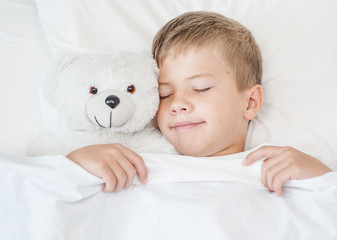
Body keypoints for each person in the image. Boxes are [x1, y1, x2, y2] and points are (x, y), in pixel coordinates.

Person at [66, 11, 332, 196]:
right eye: (165, 94)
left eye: (200, 88)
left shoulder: (278, 170)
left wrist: (323, 178)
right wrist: (72, 166)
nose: (177, 104)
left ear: (250, 102)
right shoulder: (134, 166)